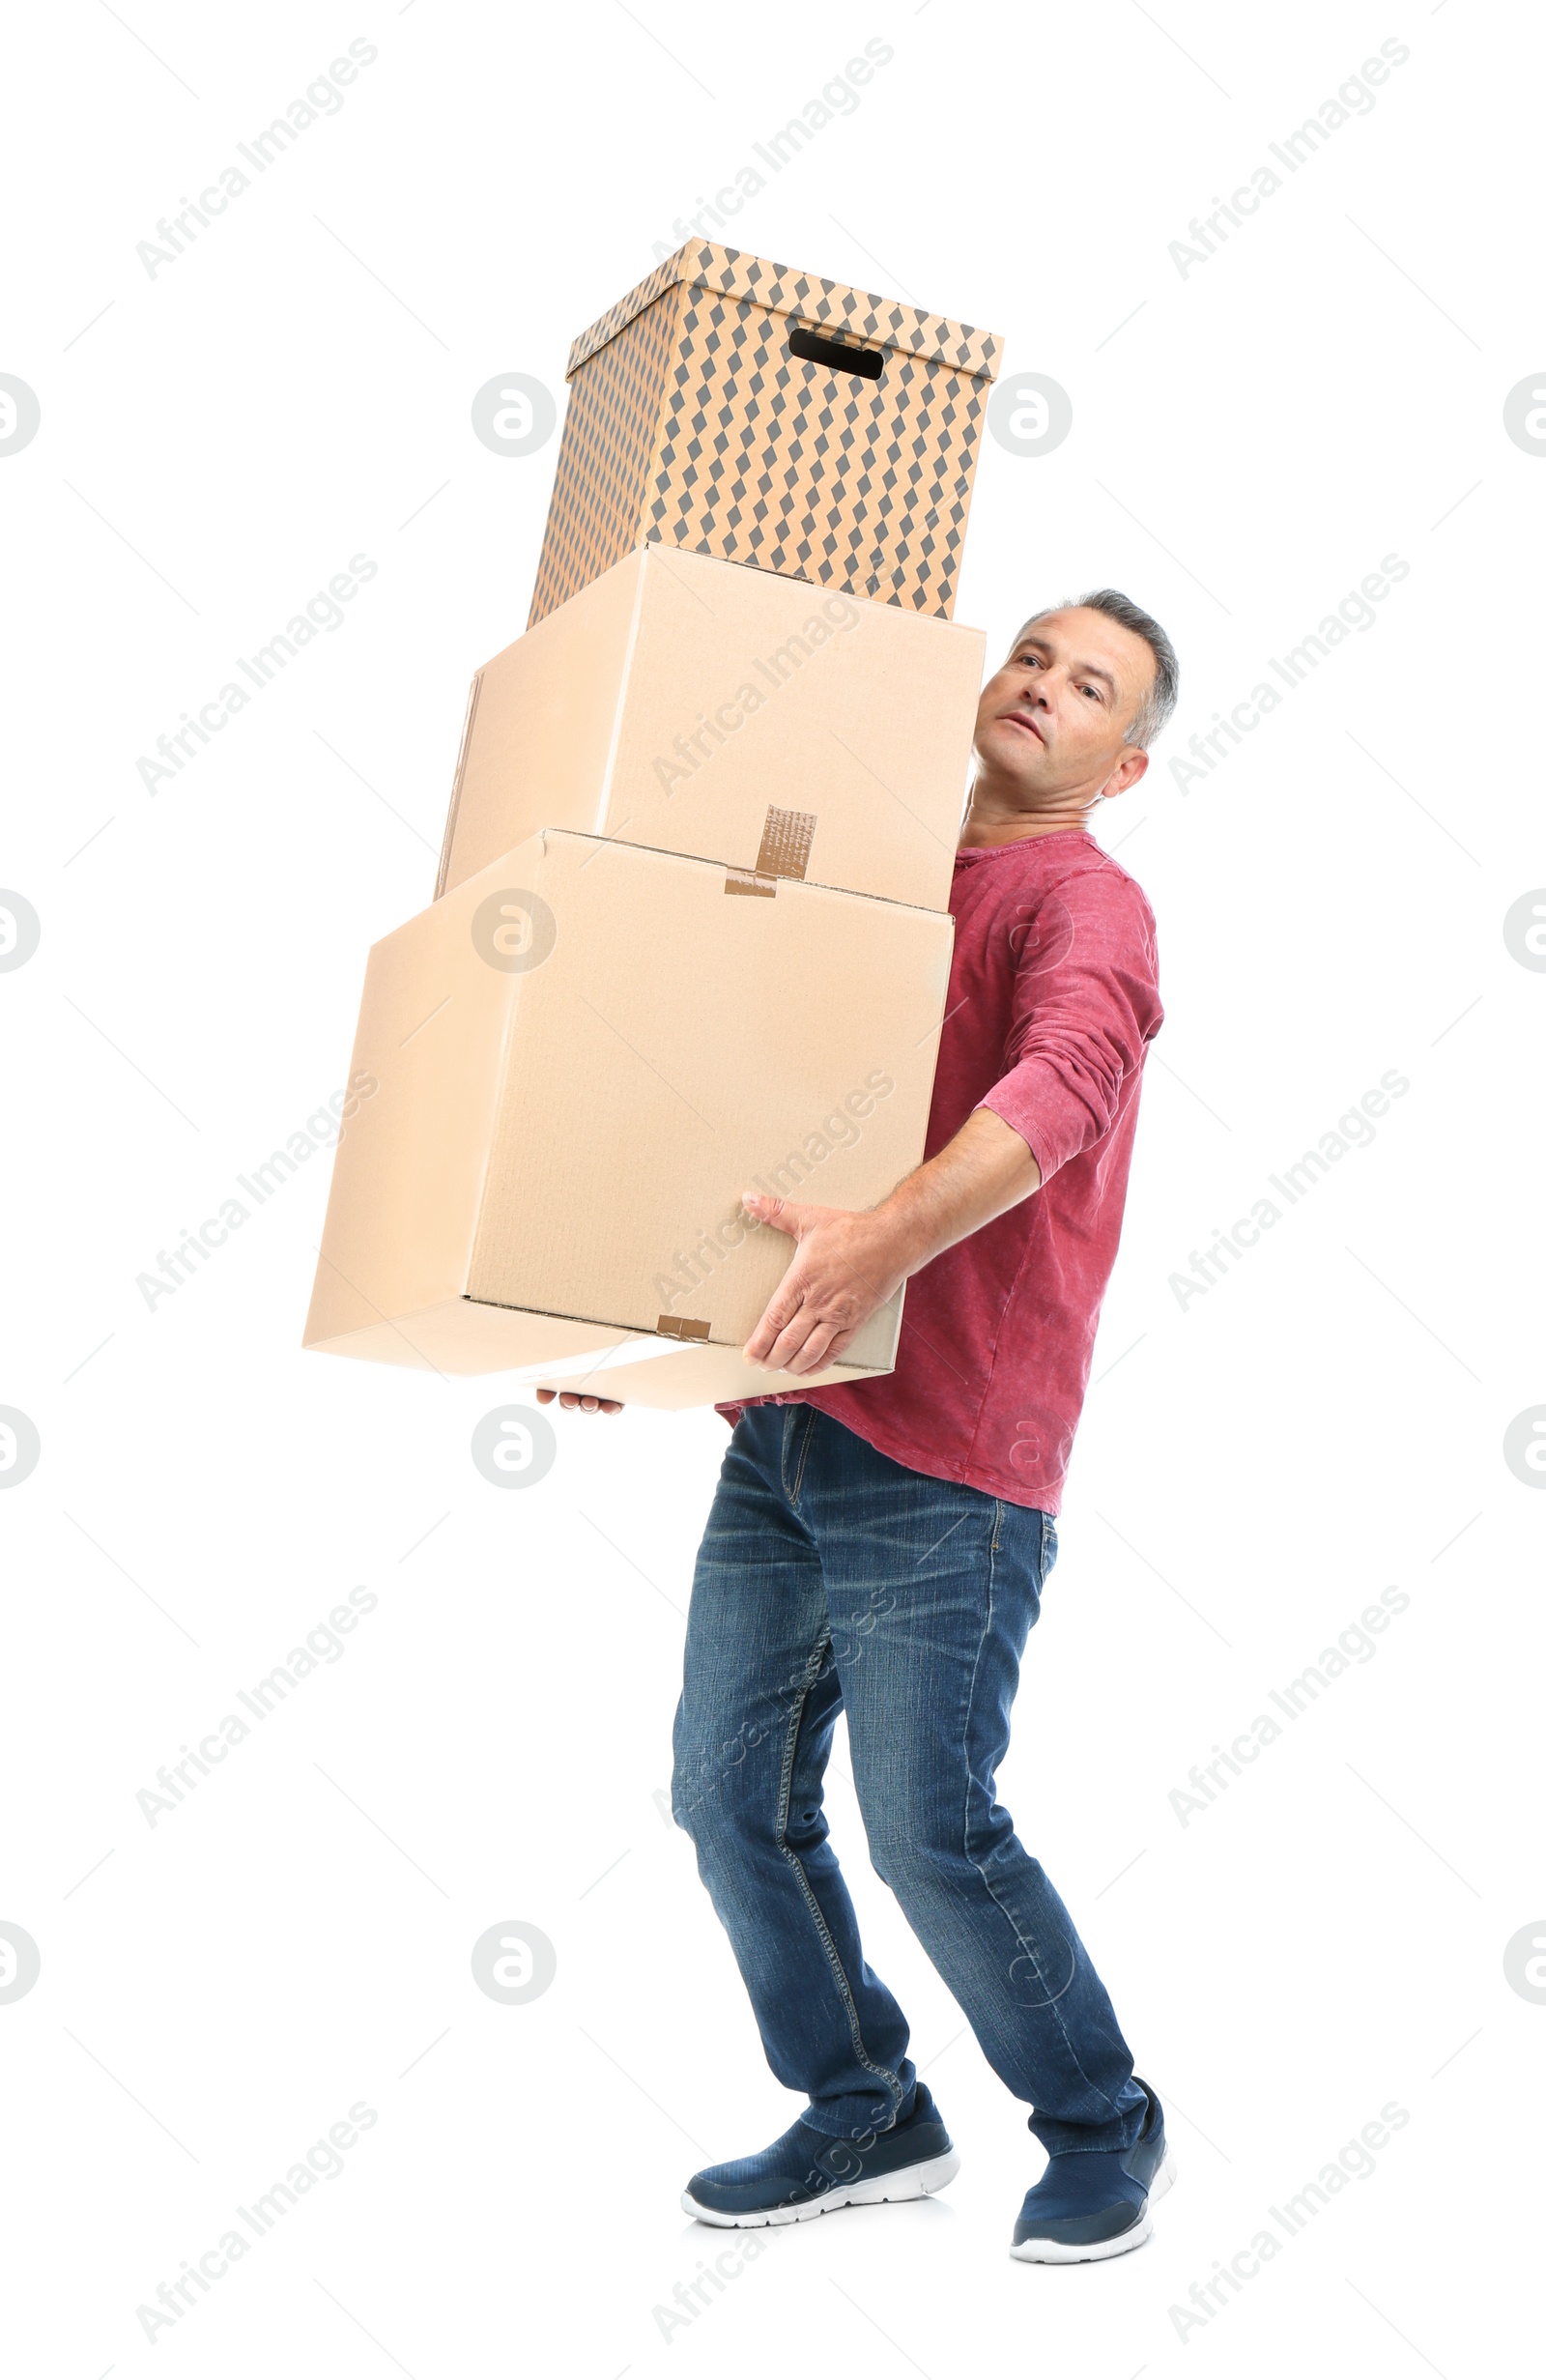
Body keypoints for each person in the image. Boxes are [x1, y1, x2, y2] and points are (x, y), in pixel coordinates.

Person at [538, 589, 1177, 2262]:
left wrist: (892, 1232)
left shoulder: (1086, 902)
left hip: (953, 1452)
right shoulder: (874, 887)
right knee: (726, 1795)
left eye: (1091, 686)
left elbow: (1069, 1082)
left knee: (931, 1826)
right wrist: (635, 1324)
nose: (1045, 686)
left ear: (1125, 763)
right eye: (1032, 654)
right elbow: (740, 1114)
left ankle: (1102, 2123)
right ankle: (863, 2107)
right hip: (787, 1425)